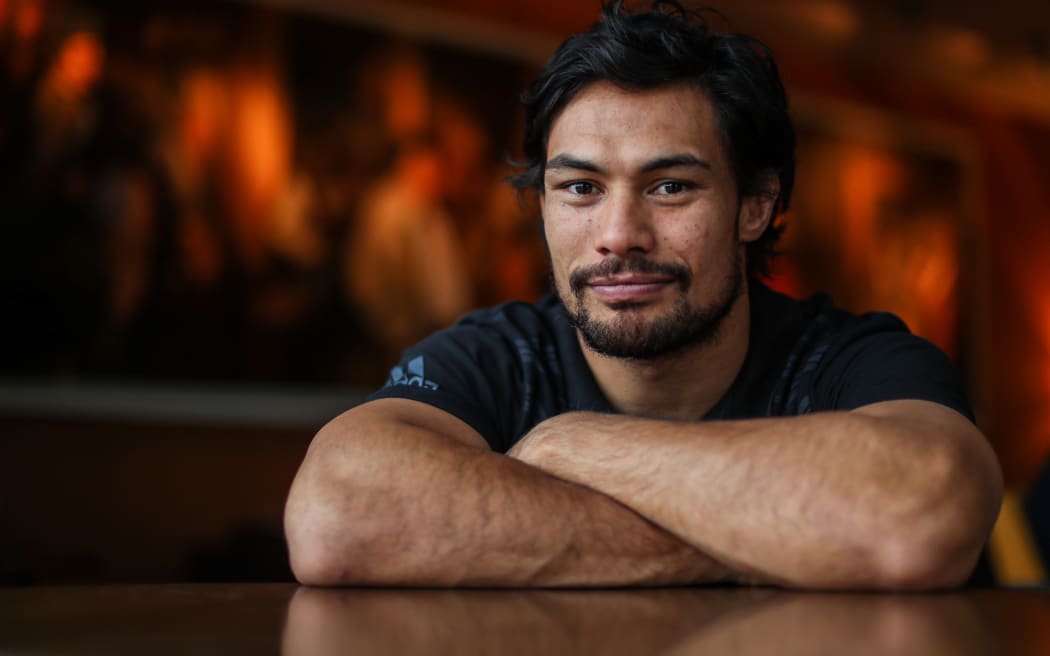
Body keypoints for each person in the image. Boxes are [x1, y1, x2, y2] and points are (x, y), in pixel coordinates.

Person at [284, 0, 1002, 590]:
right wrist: (792, 541)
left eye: (670, 187)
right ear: (542, 207)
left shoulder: (851, 356)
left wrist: (576, 446)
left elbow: (922, 513)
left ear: (754, 207)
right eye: (580, 189)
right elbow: (335, 514)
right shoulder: (500, 353)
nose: (618, 234)